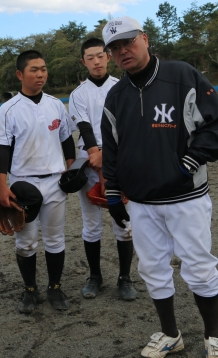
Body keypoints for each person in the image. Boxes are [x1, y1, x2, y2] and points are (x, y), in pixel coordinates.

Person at [100, 16, 218, 358]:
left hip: (186, 196)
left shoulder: (182, 75)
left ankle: (214, 337)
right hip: (142, 202)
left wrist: (188, 164)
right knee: (152, 269)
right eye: (115, 47)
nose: (123, 51)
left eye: (129, 42)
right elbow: (111, 149)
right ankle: (171, 335)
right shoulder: (115, 96)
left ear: (145, 39)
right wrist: (113, 192)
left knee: (199, 266)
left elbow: (216, 123)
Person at [0, 50, 77, 314]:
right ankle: (30, 289)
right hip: (23, 184)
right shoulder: (8, 110)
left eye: (43, 69)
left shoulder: (55, 104)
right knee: (26, 242)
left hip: (55, 182)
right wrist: (2, 187)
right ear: (20, 74)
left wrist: (71, 168)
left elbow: (66, 139)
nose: (40, 74)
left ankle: (55, 287)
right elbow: (3, 151)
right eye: (34, 70)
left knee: (55, 239)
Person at [68, 38, 136, 301]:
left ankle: (125, 278)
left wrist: (106, 158)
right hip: (88, 161)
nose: (96, 61)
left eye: (100, 55)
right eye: (90, 58)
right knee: (91, 224)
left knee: (124, 223)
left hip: (119, 159)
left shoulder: (123, 86)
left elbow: (128, 126)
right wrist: (96, 156)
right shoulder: (78, 94)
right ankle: (95, 276)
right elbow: (84, 128)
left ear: (108, 57)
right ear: (83, 62)